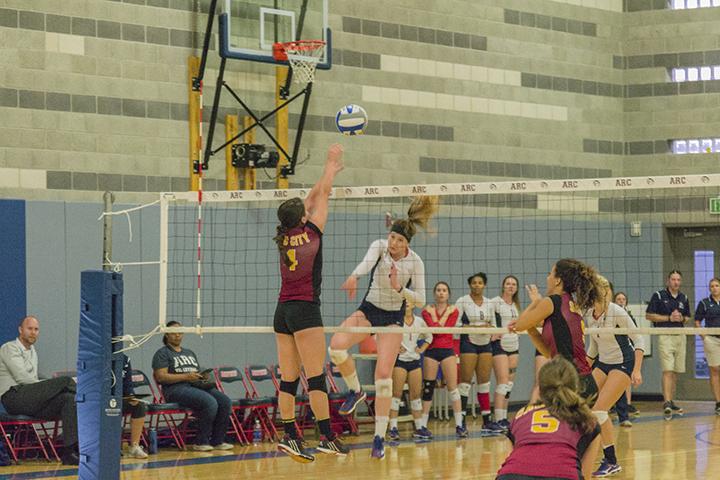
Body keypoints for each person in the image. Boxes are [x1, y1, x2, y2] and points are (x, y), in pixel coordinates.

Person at [329, 195, 437, 459]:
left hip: (392, 318)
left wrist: (400, 288)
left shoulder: (415, 262)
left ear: (407, 244)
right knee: (336, 348)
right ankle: (356, 391)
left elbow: (421, 299)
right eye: (392, 238)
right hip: (369, 310)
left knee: (383, 376)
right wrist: (354, 276)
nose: (394, 243)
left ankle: (378, 437)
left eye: (400, 240)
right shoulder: (379, 246)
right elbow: (366, 263)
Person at [271, 143, 348, 462]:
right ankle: (327, 437)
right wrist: (330, 164)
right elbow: (323, 196)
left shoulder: (284, 235)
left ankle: (289, 435)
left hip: (282, 312)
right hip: (305, 311)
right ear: (302, 217)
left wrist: (327, 175)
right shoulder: (312, 233)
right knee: (315, 376)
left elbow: (315, 197)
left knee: (289, 378)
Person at [496, 356, 601, 480]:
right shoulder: (587, 420)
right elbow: (586, 475)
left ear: (539, 389)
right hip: (562, 475)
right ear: (576, 388)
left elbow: (512, 460)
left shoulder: (521, 415)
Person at [511, 258, 600, 399]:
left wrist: (535, 302)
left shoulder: (552, 302)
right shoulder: (570, 302)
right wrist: (531, 326)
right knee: (594, 419)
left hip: (571, 383)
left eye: (550, 274)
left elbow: (519, 325)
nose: (547, 278)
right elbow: (549, 353)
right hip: (583, 381)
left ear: (558, 280)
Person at [584, 276, 644, 477]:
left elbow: (638, 338)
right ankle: (583, 452)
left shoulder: (616, 311)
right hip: (603, 363)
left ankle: (611, 461)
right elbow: (593, 345)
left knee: (599, 411)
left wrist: (636, 370)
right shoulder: (588, 313)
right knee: (584, 406)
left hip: (623, 363)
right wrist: (582, 369)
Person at [0, 316, 79, 465]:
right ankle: (87, 399)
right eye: (29, 328)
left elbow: (34, 379)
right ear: (20, 330)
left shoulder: (32, 351)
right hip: (14, 397)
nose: (33, 332)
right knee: (66, 381)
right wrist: (47, 386)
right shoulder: (9, 348)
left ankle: (70, 451)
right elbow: (23, 378)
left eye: (36, 329)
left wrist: (45, 387)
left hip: (32, 400)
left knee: (68, 399)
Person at [152, 321, 233, 451]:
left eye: (180, 332)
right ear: (166, 334)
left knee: (225, 401)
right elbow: (161, 377)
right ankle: (201, 442)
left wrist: (201, 376)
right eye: (173, 333)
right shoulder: (162, 353)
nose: (177, 335)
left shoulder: (189, 353)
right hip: (175, 389)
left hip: (195, 386)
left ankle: (218, 441)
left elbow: (194, 373)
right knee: (209, 402)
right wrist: (185, 377)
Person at [419, 281, 467, 439]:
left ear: (448, 294)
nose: (441, 293)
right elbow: (434, 329)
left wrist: (438, 317)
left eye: (444, 290)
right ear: (434, 293)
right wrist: (436, 317)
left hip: (447, 351)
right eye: (438, 290)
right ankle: (422, 426)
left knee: (453, 388)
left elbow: (444, 329)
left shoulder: (454, 310)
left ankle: (460, 425)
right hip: (431, 351)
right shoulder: (426, 311)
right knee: (428, 388)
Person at [645, 270, 690, 420]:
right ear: (668, 280)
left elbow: (688, 317)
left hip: (680, 336)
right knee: (667, 370)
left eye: (678, 279)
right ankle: (666, 402)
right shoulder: (658, 296)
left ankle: (671, 400)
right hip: (665, 335)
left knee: (675, 371)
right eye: (673, 279)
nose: (676, 282)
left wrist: (681, 318)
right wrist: (669, 317)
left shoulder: (684, 297)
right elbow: (649, 315)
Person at [456, 272, 497, 432]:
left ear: (484, 285)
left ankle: (487, 421)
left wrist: (489, 329)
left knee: (484, 383)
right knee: (465, 383)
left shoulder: (489, 303)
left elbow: (494, 324)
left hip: (485, 343)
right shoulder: (463, 301)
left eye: (480, 283)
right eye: (474, 282)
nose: (477, 285)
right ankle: (461, 422)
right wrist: (477, 327)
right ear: (470, 285)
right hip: (468, 343)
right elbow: (456, 324)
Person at [387, 304, 432, 441]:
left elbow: (429, 336)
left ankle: (419, 427)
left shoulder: (419, 321)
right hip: (400, 361)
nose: (407, 305)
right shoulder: (396, 320)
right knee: (396, 394)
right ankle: (393, 428)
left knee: (415, 395)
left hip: (414, 361)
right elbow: (383, 337)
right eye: (404, 302)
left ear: (414, 304)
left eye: (409, 302)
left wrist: (422, 348)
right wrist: (395, 346)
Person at [489, 275, 521, 431]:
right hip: (499, 346)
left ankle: (504, 417)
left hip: (514, 346)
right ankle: (498, 418)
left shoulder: (516, 305)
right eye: (508, 283)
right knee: (502, 383)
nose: (511, 286)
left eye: (513, 284)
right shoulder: (495, 302)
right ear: (503, 286)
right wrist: (492, 332)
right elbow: (488, 319)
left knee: (509, 384)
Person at [612, 291, 640, 425]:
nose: (621, 301)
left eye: (623, 299)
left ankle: (623, 416)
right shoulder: (606, 314)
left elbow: (636, 337)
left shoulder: (627, 316)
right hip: (605, 354)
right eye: (618, 299)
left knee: (620, 384)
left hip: (621, 354)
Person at [694, 277, 720, 416]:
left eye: (716, 285)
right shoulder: (704, 303)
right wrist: (704, 337)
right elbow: (697, 321)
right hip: (712, 340)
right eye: (712, 286)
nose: (714, 288)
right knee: (714, 370)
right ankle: (718, 402)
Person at [121, 354, 149, 459]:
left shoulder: (125, 358)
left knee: (139, 405)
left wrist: (131, 396)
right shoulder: (99, 356)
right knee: (112, 408)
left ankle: (134, 446)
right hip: (102, 400)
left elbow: (128, 384)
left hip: (121, 398)